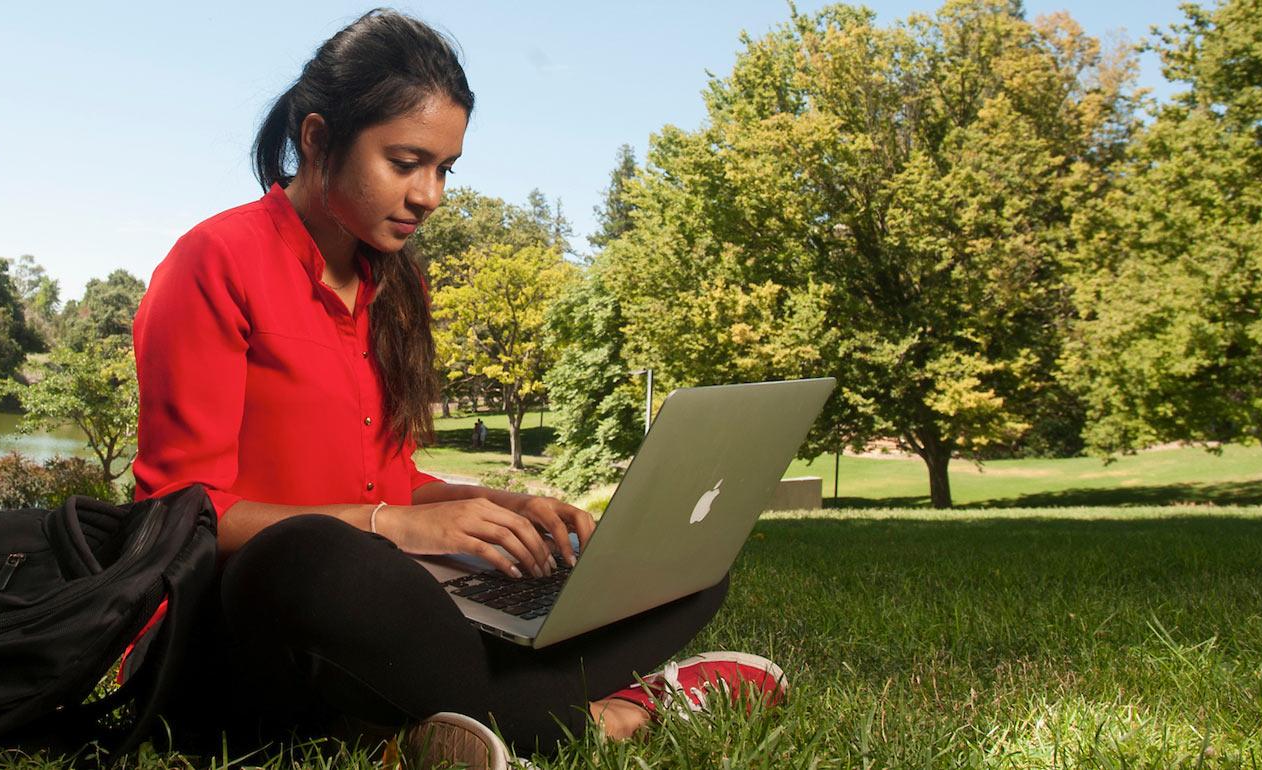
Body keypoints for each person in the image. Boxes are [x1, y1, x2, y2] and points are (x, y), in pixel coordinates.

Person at [130, 9, 787, 768]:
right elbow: (177, 515)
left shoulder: (398, 289)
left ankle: (434, 724)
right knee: (320, 555)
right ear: (316, 138)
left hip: (393, 608)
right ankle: (616, 714)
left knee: (679, 567)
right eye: (406, 161)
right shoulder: (215, 260)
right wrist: (390, 529)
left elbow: (393, 479)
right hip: (263, 611)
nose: (431, 194)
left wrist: (508, 513)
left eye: (445, 169)